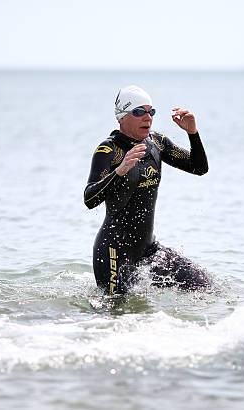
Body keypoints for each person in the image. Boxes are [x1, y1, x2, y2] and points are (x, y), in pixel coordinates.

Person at [84, 85, 210, 295]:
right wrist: (120, 171)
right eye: (139, 112)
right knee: (115, 314)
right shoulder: (109, 150)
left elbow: (199, 168)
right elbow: (89, 198)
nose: (147, 118)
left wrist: (193, 133)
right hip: (114, 251)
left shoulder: (157, 143)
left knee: (203, 287)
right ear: (122, 117)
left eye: (151, 111)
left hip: (148, 250)